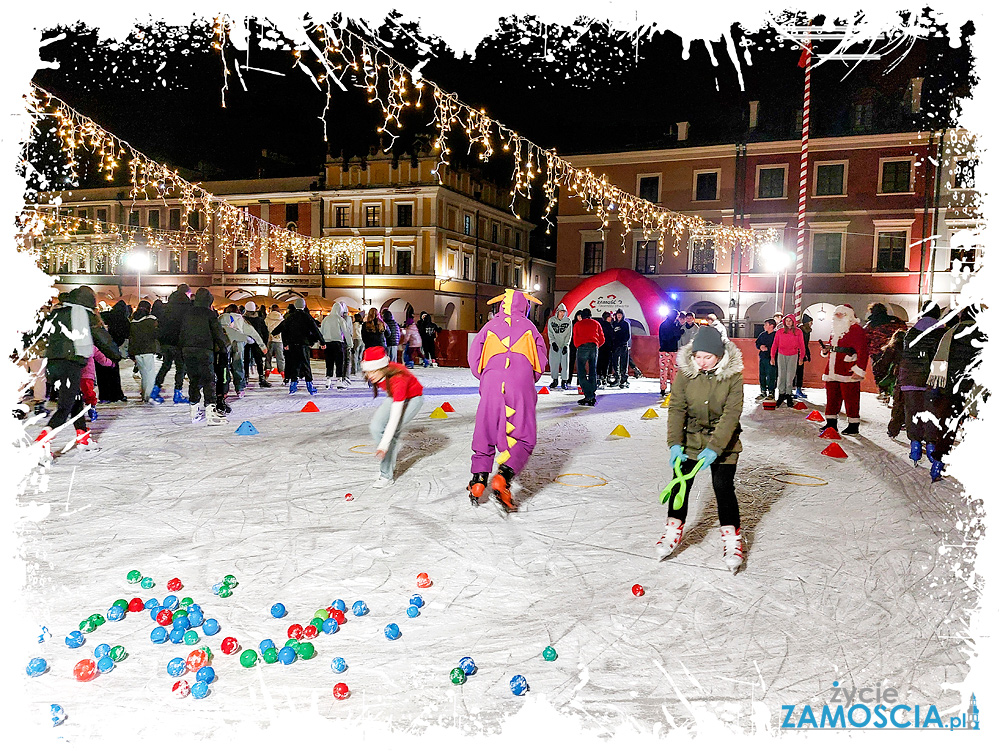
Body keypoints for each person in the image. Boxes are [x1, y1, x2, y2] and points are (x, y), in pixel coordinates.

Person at [659, 325, 745, 573]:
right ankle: (672, 530)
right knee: (680, 484)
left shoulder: (733, 376)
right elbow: (676, 409)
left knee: (722, 487)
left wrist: (715, 448)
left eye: (708, 357)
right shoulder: (685, 374)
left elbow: (731, 415)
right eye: (698, 356)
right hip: (691, 438)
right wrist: (675, 444)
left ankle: (732, 540)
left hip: (724, 441)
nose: (702, 362)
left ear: (719, 356)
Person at [467, 289, 547, 511]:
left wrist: (486, 374)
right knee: (525, 436)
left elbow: (474, 356)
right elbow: (540, 361)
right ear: (526, 307)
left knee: (486, 429)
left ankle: (478, 481)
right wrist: (526, 379)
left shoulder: (490, 326)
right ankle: (503, 476)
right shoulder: (530, 329)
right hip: (520, 383)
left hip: (492, 381)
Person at [34, 286, 120, 451]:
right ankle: (42, 442)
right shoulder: (86, 315)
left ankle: (83, 437)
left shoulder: (56, 313)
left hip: (53, 363)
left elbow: (38, 332)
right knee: (65, 407)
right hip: (71, 363)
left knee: (76, 399)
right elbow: (103, 339)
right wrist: (116, 356)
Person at [928, 305, 986, 481]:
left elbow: (938, 362)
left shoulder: (950, 334)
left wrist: (937, 386)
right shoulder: (986, 334)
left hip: (951, 388)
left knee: (947, 428)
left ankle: (937, 466)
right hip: (975, 389)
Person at [359, 345, 425, 488]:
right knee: (375, 427)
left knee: (392, 434)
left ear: (382, 368)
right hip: (395, 396)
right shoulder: (380, 375)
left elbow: (395, 417)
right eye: (367, 372)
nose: (370, 376)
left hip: (414, 398)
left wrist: (383, 445)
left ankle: (386, 475)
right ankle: (387, 456)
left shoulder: (398, 379)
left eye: (373, 371)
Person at [897, 302, 948, 469]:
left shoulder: (911, 332)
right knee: (932, 413)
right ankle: (932, 447)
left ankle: (915, 446)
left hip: (910, 379)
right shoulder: (942, 332)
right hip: (931, 381)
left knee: (912, 412)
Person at [179, 288, 229, 425]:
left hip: (187, 349)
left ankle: (194, 412)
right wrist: (223, 349)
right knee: (208, 380)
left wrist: (182, 349)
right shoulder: (209, 314)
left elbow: (182, 332)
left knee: (194, 380)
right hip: (204, 350)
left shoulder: (187, 313)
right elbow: (218, 333)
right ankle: (211, 413)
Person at [819, 304, 870, 435]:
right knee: (832, 397)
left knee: (851, 398)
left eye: (841, 314)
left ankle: (853, 424)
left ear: (848, 315)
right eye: (836, 314)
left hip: (847, 369)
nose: (838, 316)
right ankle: (831, 423)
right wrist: (826, 350)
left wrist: (859, 370)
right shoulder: (835, 330)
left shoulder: (856, 329)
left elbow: (863, 351)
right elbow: (834, 347)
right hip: (832, 368)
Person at [272, 299, 324, 394]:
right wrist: (322, 342)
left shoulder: (290, 317)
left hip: (293, 345)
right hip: (304, 345)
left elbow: (279, 329)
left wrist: (283, 340)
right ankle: (309, 385)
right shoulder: (307, 317)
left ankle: (293, 385)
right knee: (306, 365)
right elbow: (315, 330)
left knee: (294, 364)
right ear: (304, 306)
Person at [151, 284, 192, 404]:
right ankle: (177, 393)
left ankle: (155, 390)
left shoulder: (167, 306)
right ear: (186, 293)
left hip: (166, 341)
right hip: (179, 342)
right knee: (181, 368)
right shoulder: (187, 307)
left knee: (166, 365)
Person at [865, 302, 908, 403]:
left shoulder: (871, 324)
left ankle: (884, 392)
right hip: (897, 350)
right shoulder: (897, 321)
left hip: (877, 352)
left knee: (879, 371)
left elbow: (865, 337)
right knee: (894, 371)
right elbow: (904, 332)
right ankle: (894, 391)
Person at [96, 299, 129, 403]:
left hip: (100, 348)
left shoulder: (105, 315)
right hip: (113, 349)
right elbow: (126, 335)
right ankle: (116, 394)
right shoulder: (124, 320)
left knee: (101, 374)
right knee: (114, 373)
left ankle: (104, 396)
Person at [770, 313, 806, 407]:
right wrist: (772, 357)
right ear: (784, 322)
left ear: (793, 322)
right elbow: (775, 344)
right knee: (781, 375)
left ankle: (788, 394)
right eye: (786, 320)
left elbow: (802, 345)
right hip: (781, 354)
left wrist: (801, 357)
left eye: (790, 321)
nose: (788, 322)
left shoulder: (798, 332)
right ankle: (781, 393)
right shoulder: (780, 331)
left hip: (793, 355)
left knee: (790, 375)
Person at [573, 308, 604, 406]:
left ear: (582, 316)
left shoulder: (578, 324)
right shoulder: (596, 323)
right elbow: (602, 338)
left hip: (582, 347)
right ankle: (592, 394)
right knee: (592, 371)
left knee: (581, 372)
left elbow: (575, 338)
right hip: (594, 347)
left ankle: (588, 394)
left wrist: (579, 346)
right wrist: (596, 345)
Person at [129, 300, 159, 403]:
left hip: (137, 351)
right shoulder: (151, 319)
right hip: (148, 350)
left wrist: (131, 353)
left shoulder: (133, 321)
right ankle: (148, 396)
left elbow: (131, 339)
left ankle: (144, 394)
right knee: (150, 375)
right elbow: (156, 333)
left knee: (144, 375)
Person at [320, 303, 353, 389]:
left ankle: (328, 379)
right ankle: (339, 380)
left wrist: (321, 342)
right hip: (338, 343)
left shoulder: (326, 319)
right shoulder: (340, 319)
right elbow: (346, 332)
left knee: (329, 362)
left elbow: (321, 331)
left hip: (327, 343)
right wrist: (350, 343)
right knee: (339, 363)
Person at [242, 301, 271, 388]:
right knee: (258, 360)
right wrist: (264, 343)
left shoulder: (243, 319)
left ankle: (246, 377)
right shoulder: (259, 319)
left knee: (245, 359)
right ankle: (261, 378)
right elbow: (265, 332)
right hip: (258, 342)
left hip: (245, 341)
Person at [546, 303, 572, 389]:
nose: (562, 313)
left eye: (564, 311)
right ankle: (555, 380)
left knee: (565, 364)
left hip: (564, 345)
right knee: (554, 363)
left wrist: (566, 345)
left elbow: (569, 334)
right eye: (561, 311)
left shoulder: (568, 321)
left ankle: (564, 381)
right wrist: (553, 342)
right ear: (557, 311)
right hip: (555, 345)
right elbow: (550, 332)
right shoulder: (551, 321)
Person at [657, 310, 683, 397]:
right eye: (676, 316)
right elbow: (674, 337)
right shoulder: (672, 325)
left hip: (664, 350)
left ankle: (663, 388)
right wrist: (679, 333)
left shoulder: (664, 324)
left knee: (664, 371)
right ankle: (672, 388)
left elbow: (663, 337)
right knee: (673, 371)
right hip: (671, 350)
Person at [754, 320, 777, 401]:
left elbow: (777, 346)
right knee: (762, 375)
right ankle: (763, 391)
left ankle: (771, 392)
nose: (764, 326)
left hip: (771, 357)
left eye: (766, 324)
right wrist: (760, 347)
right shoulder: (762, 335)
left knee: (771, 375)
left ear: (771, 325)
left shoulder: (776, 335)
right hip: (763, 357)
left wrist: (768, 349)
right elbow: (757, 343)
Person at [609, 309, 632, 388]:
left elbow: (627, 335)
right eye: (618, 314)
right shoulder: (614, 323)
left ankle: (624, 379)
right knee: (615, 363)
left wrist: (623, 342)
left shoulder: (625, 324)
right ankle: (617, 378)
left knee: (623, 362)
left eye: (620, 315)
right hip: (615, 346)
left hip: (623, 345)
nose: (619, 316)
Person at [793, 313, 813, 400]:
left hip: (802, 353)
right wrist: (804, 354)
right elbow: (803, 344)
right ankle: (795, 389)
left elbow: (806, 344)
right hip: (797, 353)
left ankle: (798, 389)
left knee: (799, 372)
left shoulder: (806, 331)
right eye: (811, 322)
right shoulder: (801, 331)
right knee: (796, 372)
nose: (812, 324)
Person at [264, 303, 285, 379]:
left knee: (268, 357)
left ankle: (267, 371)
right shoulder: (281, 319)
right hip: (279, 340)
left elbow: (265, 329)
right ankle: (282, 373)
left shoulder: (267, 318)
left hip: (269, 340)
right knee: (280, 357)